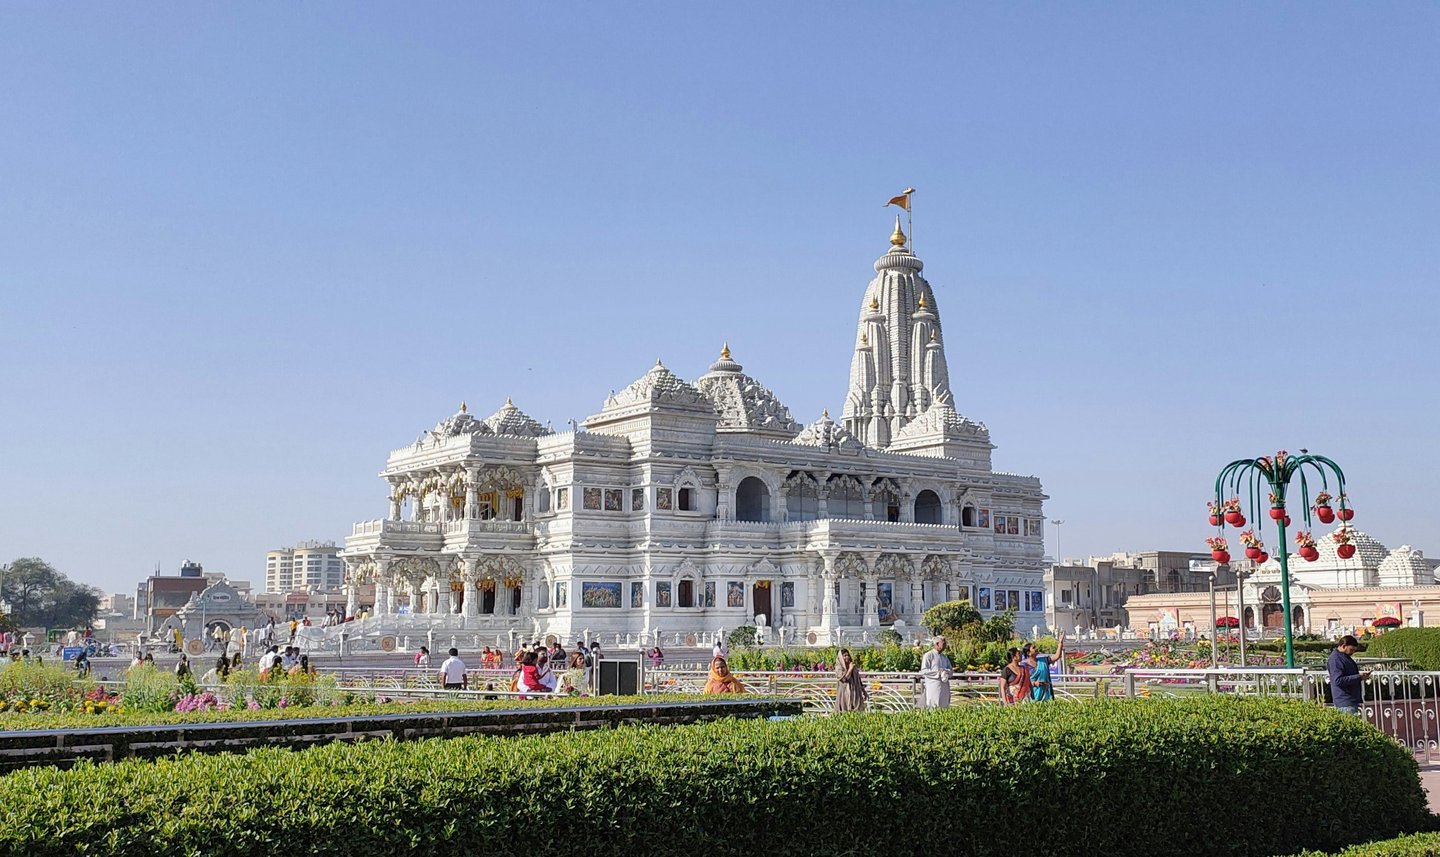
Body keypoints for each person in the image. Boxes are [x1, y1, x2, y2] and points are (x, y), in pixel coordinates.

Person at [1328, 634, 1371, 715]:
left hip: (1350, 700)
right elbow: (1338, 680)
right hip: (1345, 701)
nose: (1352, 653)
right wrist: (1359, 677)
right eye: (1351, 650)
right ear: (1344, 646)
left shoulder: (1344, 657)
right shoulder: (1336, 659)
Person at [1025, 631, 1065, 702]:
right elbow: (1022, 682)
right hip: (1031, 695)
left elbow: (1057, 656)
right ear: (1028, 653)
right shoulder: (1024, 666)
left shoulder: (1044, 661)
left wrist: (1060, 643)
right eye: (1034, 648)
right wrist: (1034, 683)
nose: (1036, 648)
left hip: (1046, 694)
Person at [919, 636, 954, 709]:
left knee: (944, 707)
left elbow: (950, 671)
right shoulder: (928, 655)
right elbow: (924, 671)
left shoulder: (944, 657)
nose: (945, 646)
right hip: (933, 686)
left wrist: (945, 672)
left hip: (944, 686)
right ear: (937, 644)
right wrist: (938, 673)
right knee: (934, 706)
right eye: (943, 644)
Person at [835, 648, 867, 712]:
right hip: (844, 693)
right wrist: (850, 669)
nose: (847, 657)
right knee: (844, 710)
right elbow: (843, 679)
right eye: (845, 656)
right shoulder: (839, 668)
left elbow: (859, 680)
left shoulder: (853, 667)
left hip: (855, 691)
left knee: (856, 710)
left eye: (848, 655)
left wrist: (864, 691)